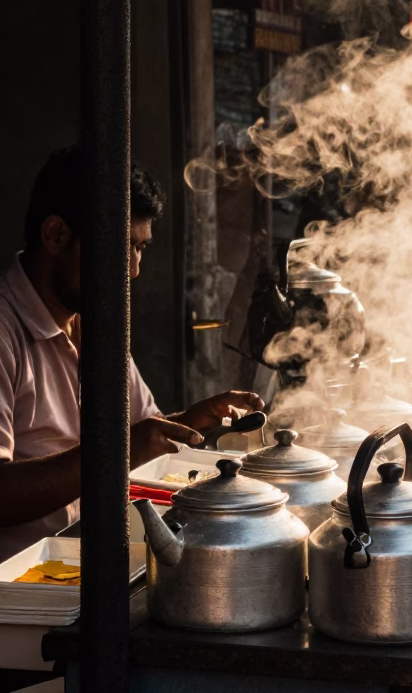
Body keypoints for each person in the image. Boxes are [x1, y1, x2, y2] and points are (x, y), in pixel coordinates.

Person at [0, 146, 263, 560]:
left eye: (141, 248)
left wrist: (189, 422)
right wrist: (118, 452)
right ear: (56, 235)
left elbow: (140, 434)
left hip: (93, 567)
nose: (134, 270)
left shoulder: (94, 324)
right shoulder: (5, 331)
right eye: (122, 247)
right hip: (22, 590)